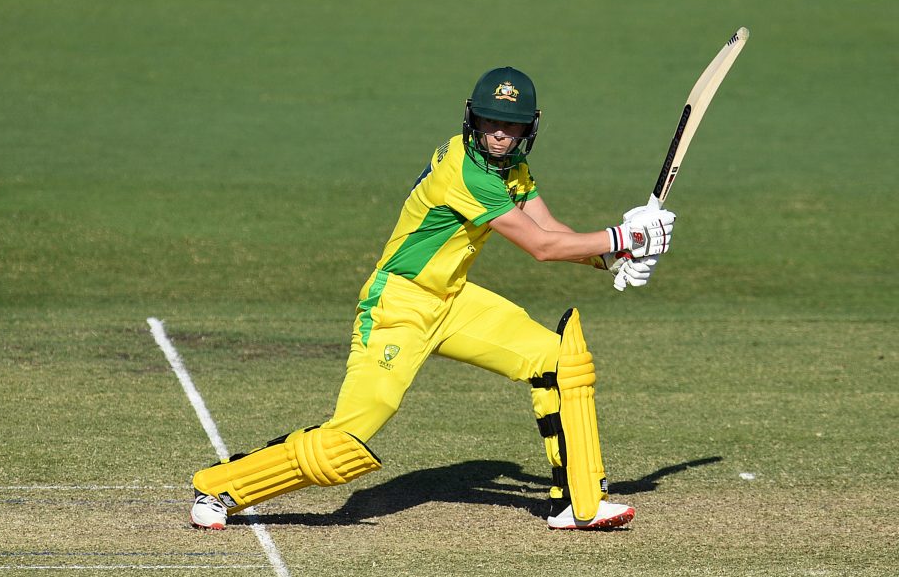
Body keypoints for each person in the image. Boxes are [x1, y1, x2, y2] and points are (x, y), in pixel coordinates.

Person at [189, 67, 675, 531]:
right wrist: (622, 237)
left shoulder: (511, 168)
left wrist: (612, 257)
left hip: (451, 300)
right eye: (490, 123)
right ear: (471, 119)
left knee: (558, 359)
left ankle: (577, 501)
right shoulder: (469, 173)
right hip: (398, 306)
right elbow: (542, 249)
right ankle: (220, 488)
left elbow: (552, 229)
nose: (500, 135)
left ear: (529, 128)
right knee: (345, 440)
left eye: (511, 125)